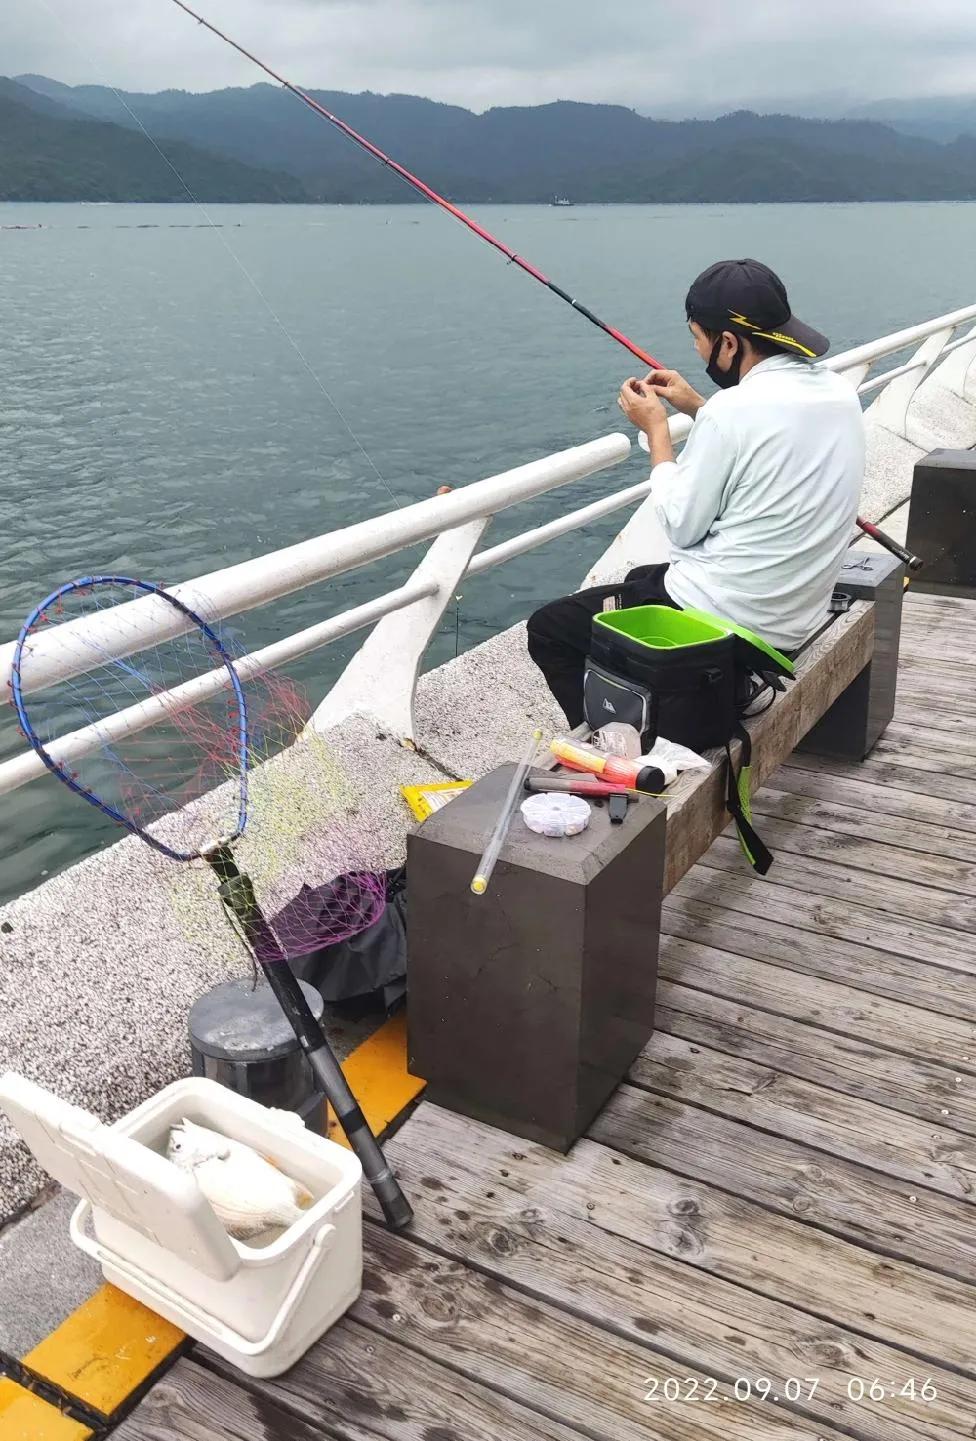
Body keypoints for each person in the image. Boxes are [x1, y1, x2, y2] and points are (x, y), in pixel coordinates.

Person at [527, 258, 866, 727]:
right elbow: (759, 438)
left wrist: (657, 433)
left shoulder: (732, 412)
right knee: (644, 575)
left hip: (735, 623)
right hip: (796, 614)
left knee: (550, 628)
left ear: (728, 342)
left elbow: (682, 527)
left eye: (698, 337)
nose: (696, 348)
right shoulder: (836, 392)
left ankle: (617, 746)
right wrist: (697, 407)